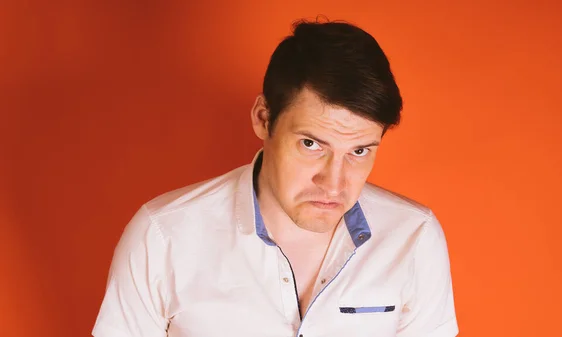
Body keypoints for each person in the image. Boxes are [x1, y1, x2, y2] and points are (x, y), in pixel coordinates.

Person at [92, 18, 459, 337]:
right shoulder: (163, 236)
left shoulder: (413, 237)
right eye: (312, 144)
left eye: (359, 151)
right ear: (263, 118)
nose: (334, 183)